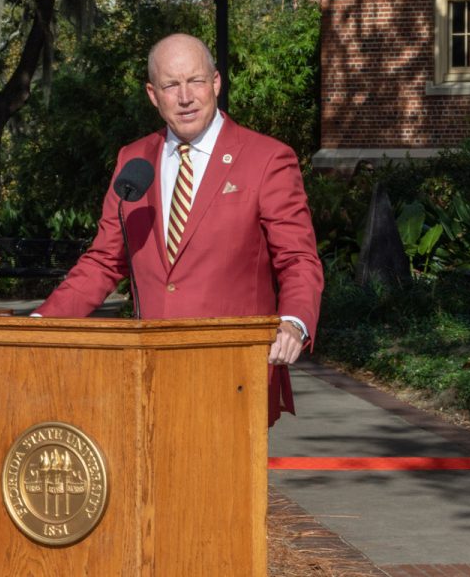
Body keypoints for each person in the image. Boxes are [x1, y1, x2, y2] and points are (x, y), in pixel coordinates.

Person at [34, 33, 324, 426]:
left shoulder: (267, 158)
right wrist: (37, 326)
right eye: (172, 85)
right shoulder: (133, 160)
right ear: (154, 95)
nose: (185, 96)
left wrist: (293, 323)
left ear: (216, 83)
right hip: (150, 375)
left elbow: (298, 259)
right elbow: (104, 260)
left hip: (235, 376)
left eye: (196, 81)